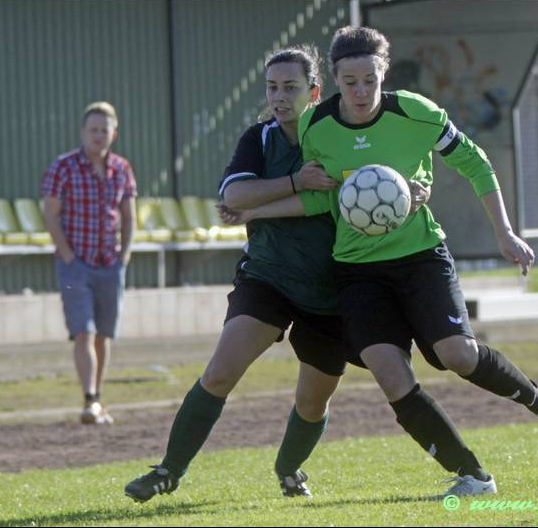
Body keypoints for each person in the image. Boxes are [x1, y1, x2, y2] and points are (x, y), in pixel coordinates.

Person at [219, 26, 538, 498]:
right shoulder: (317, 127)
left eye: (369, 80)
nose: (360, 91)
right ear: (334, 80)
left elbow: (475, 163)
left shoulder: (417, 113)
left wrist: (505, 233)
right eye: (349, 82)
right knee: (391, 374)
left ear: (384, 73)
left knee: (457, 355)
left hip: (419, 257)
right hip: (357, 271)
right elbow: (321, 199)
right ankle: (472, 476)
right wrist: (253, 212)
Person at [123, 45, 433, 503]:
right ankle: (168, 471)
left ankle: (288, 469)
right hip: (268, 278)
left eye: (290, 87)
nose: (279, 97)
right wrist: (293, 182)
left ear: (315, 92)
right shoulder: (259, 138)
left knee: (313, 401)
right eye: (272, 88)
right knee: (220, 373)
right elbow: (234, 196)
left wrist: (410, 190)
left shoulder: (336, 134)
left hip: (331, 288)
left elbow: (381, 178)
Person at [42, 101, 136, 425]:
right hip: (75, 264)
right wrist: (68, 255)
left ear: (114, 133)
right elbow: (50, 214)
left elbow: (129, 216)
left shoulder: (122, 168)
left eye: (104, 130)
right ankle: (90, 398)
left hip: (110, 262)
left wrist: (124, 255)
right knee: (83, 331)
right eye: (93, 129)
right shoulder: (63, 167)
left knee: (103, 335)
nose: (98, 135)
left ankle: (97, 398)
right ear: (83, 132)